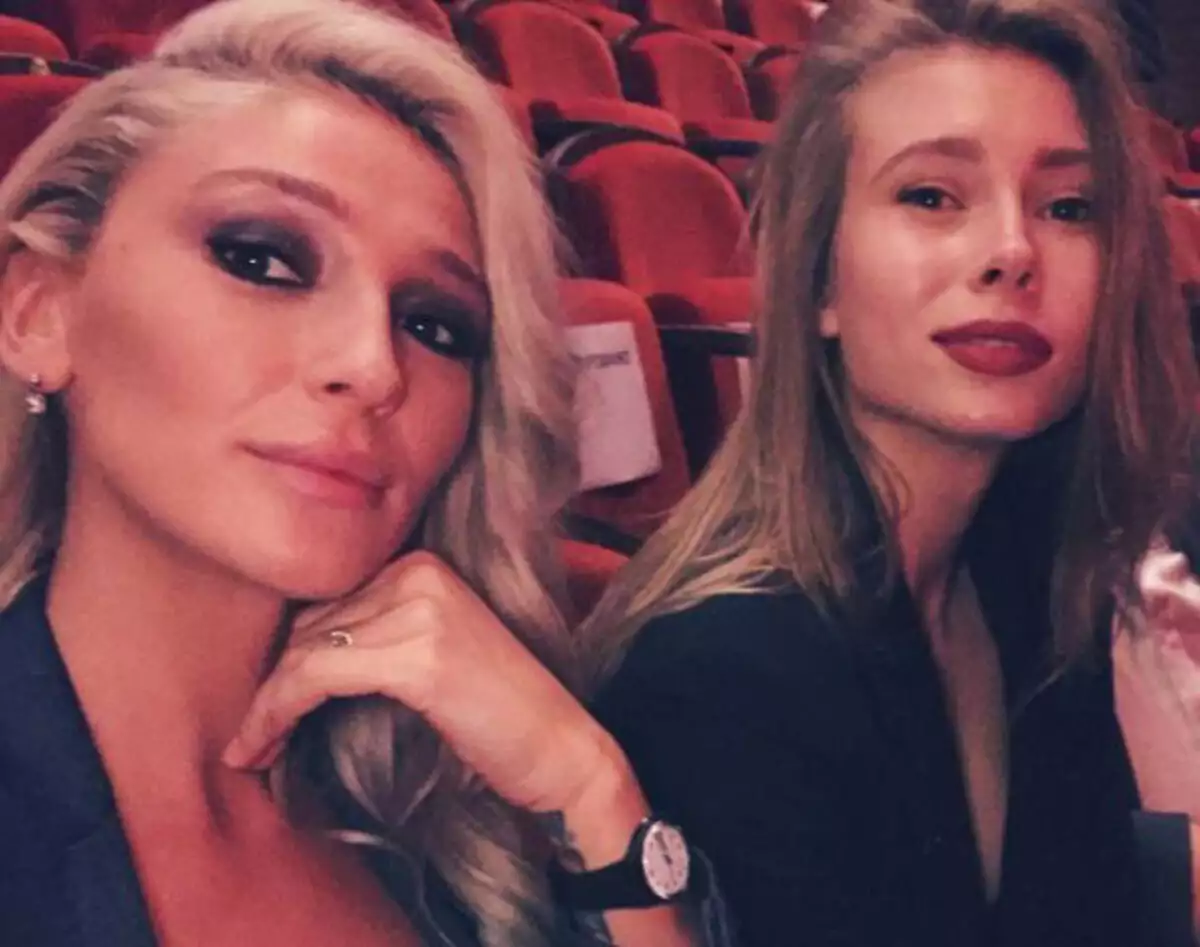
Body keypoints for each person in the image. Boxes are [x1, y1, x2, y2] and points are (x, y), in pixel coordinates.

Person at [0, 1, 729, 945]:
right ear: (38, 314)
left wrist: (592, 793)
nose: (375, 366)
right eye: (262, 259)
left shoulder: (465, 807)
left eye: (435, 324)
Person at [581, 0, 1200, 944]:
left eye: (1068, 207)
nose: (1012, 251)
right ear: (819, 281)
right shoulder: (717, 674)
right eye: (932, 196)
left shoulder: (1035, 571)